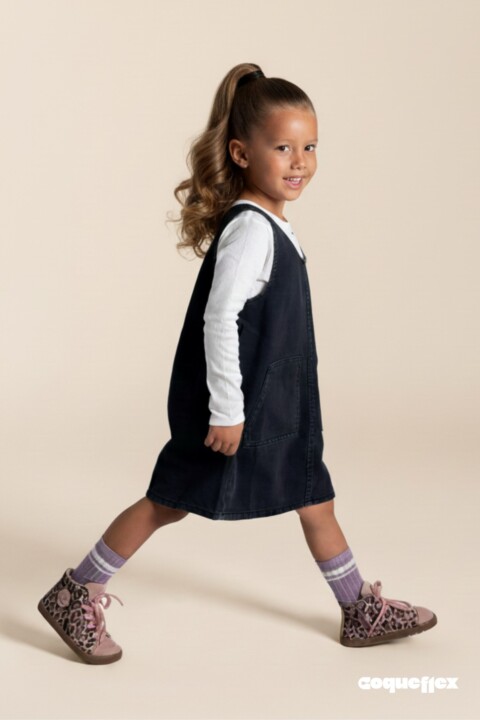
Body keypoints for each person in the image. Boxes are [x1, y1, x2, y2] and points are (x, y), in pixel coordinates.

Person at [37, 63, 437, 665]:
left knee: (313, 496)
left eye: (310, 147)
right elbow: (218, 319)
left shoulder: (272, 223)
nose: (299, 161)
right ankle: (77, 591)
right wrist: (226, 410)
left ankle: (358, 609)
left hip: (276, 404)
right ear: (242, 153)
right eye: (283, 148)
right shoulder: (251, 230)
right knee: (169, 499)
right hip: (239, 410)